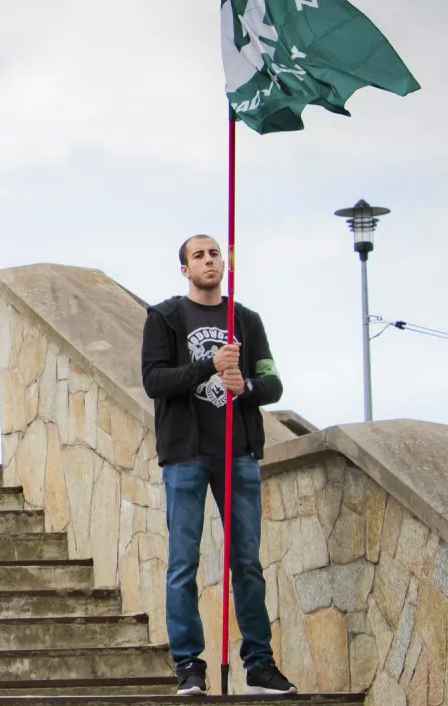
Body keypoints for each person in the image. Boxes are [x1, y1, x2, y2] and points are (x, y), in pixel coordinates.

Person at [140, 234, 295, 697]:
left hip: (238, 452)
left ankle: (260, 665)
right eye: (199, 256)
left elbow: (274, 383)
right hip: (186, 456)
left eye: (215, 254)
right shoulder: (164, 317)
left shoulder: (245, 320)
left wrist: (244, 384)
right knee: (183, 563)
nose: (210, 261)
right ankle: (189, 665)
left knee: (247, 562)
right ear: (184, 269)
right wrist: (208, 365)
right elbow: (154, 381)